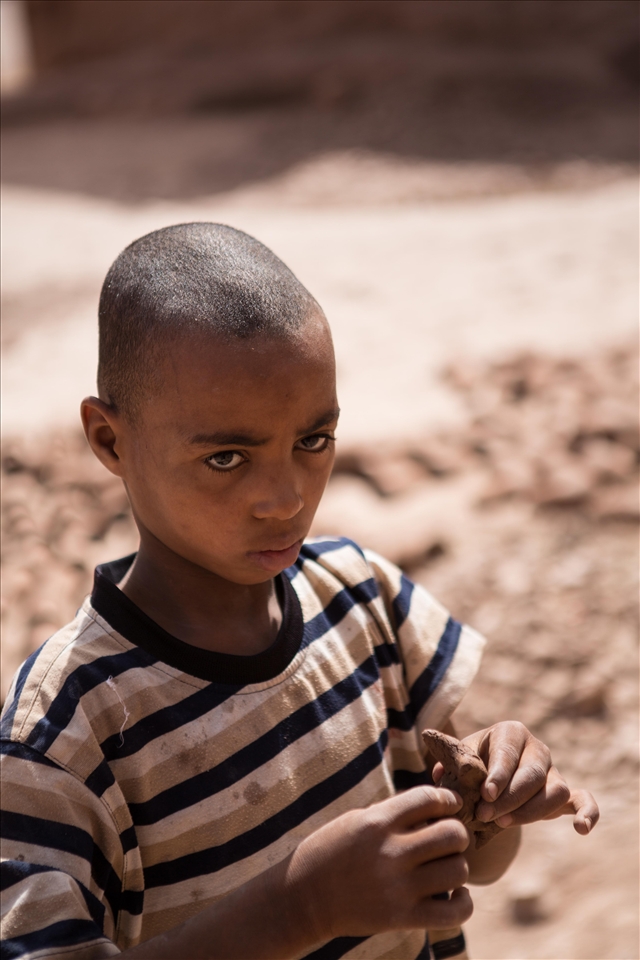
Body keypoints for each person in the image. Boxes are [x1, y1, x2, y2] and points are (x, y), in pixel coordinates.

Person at [0, 224, 598, 960]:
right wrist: (300, 906)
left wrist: (488, 812)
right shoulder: (66, 736)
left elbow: (468, 864)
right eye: (226, 457)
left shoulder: (364, 599)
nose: (284, 498)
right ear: (110, 441)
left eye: (313, 442)